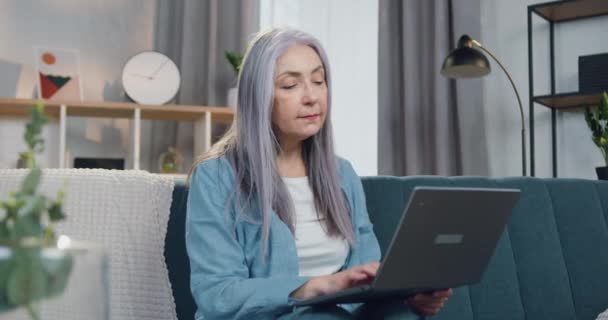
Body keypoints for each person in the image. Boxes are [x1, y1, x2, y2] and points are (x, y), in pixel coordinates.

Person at [186, 27, 452, 320]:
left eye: (319, 80)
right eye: (290, 85)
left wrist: (412, 301)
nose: (312, 97)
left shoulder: (341, 174)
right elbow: (218, 295)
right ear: (258, 97)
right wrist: (314, 287)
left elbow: (367, 279)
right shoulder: (216, 177)